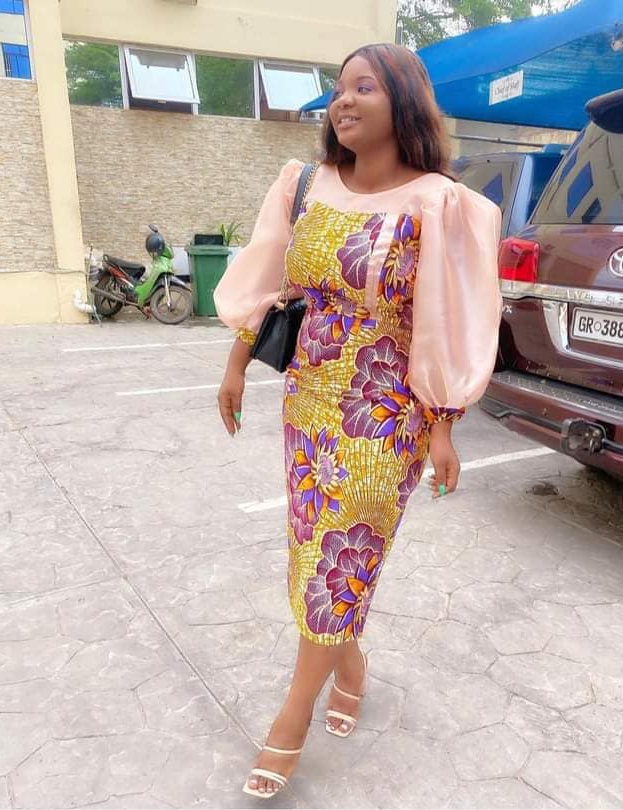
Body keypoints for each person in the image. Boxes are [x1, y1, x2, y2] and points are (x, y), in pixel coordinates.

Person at [214, 42, 502, 799]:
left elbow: (450, 317)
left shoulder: (440, 203)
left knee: (344, 558)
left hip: (387, 413)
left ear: (403, 102)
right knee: (312, 550)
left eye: (364, 87)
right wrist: (237, 363)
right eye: (338, 89)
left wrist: (444, 421)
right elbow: (272, 278)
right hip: (308, 401)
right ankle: (351, 664)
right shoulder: (304, 184)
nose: (343, 101)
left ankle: (292, 716)